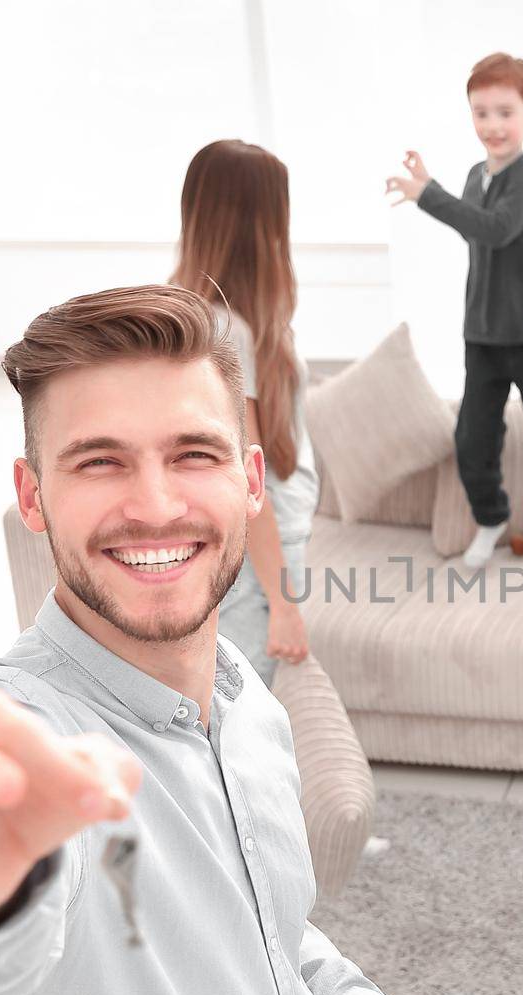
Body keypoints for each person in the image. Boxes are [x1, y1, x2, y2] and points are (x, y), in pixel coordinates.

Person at [0, 285, 477, 995]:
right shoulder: (9, 727)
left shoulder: (248, 702)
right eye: (99, 461)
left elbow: (257, 927)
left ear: (249, 482)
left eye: (193, 454)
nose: (153, 504)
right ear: (32, 496)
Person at [386, 52, 523, 572]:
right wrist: (436, 192)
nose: (493, 124)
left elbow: (497, 229)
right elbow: (472, 227)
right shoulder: (474, 174)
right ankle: (491, 519)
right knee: (472, 442)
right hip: (483, 337)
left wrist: (428, 195)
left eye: (505, 112)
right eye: (481, 112)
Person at [173, 139, 315, 688]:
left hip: (271, 548)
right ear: (259, 222)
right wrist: (283, 604)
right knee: (240, 717)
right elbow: (242, 480)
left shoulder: (205, 313)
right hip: (261, 567)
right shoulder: (224, 327)